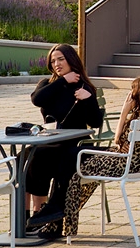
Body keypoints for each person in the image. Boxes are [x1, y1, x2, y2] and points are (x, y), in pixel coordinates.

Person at [42, 76, 140, 244]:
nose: (130, 94)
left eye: (133, 90)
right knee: (72, 154)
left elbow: (117, 141)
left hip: (123, 163)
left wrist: (125, 111)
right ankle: (54, 215)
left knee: (71, 167)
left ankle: (55, 221)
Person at [24, 44, 104, 225]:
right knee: (25, 157)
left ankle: (41, 212)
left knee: (37, 158)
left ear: (71, 60)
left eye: (61, 59)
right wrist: (63, 81)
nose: (57, 64)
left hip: (73, 144)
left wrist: (89, 99)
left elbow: (96, 122)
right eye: (53, 61)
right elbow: (37, 99)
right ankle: (25, 215)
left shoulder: (83, 87)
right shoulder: (48, 84)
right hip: (50, 141)